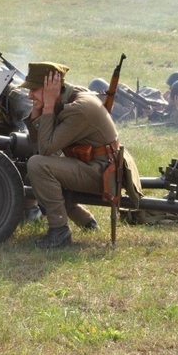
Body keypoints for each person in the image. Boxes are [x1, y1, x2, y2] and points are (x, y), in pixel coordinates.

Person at [22, 62, 142, 248]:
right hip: (92, 165)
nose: (30, 95)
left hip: (103, 173)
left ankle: (59, 231)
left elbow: (45, 149)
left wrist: (46, 109)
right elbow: (39, 144)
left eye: (34, 90)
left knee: (38, 165)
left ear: (51, 89)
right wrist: (38, 111)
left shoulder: (80, 108)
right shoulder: (67, 97)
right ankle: (85, 221)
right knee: (38, 167)